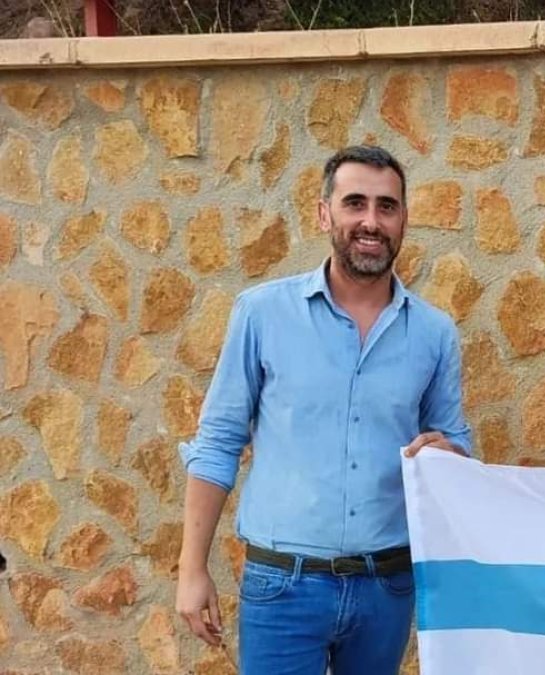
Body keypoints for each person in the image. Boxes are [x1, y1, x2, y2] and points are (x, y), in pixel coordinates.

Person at [175, 145, 472, 674]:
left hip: (386, 586)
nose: (370, 221)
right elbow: (219, 442)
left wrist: (449, 452)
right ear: (323, 213)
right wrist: (191, 569)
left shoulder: (435, 334)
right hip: (282, 586)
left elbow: (455, 443)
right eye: (355, 203)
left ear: (403, 219)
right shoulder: (262, 314)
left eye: (387, 207)